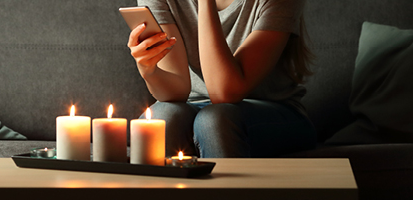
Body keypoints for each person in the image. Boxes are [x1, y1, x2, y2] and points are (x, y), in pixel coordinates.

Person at [127, 0, 316, 158]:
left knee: (216, 121)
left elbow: (225, 92)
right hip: (197, 106)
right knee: (162, 119)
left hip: (272, 111)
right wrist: (148, 70)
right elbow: (176, 91)